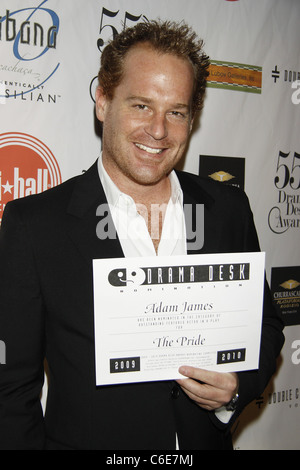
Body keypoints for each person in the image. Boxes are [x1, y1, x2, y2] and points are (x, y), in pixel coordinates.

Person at [0, 20, 284, 450]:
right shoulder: (34, 225)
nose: (158, 130)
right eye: (141, 105)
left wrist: (237, 387)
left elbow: (266, 325)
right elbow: (11, 390)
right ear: (103, 101)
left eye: (176, 111)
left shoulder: (227, 209)